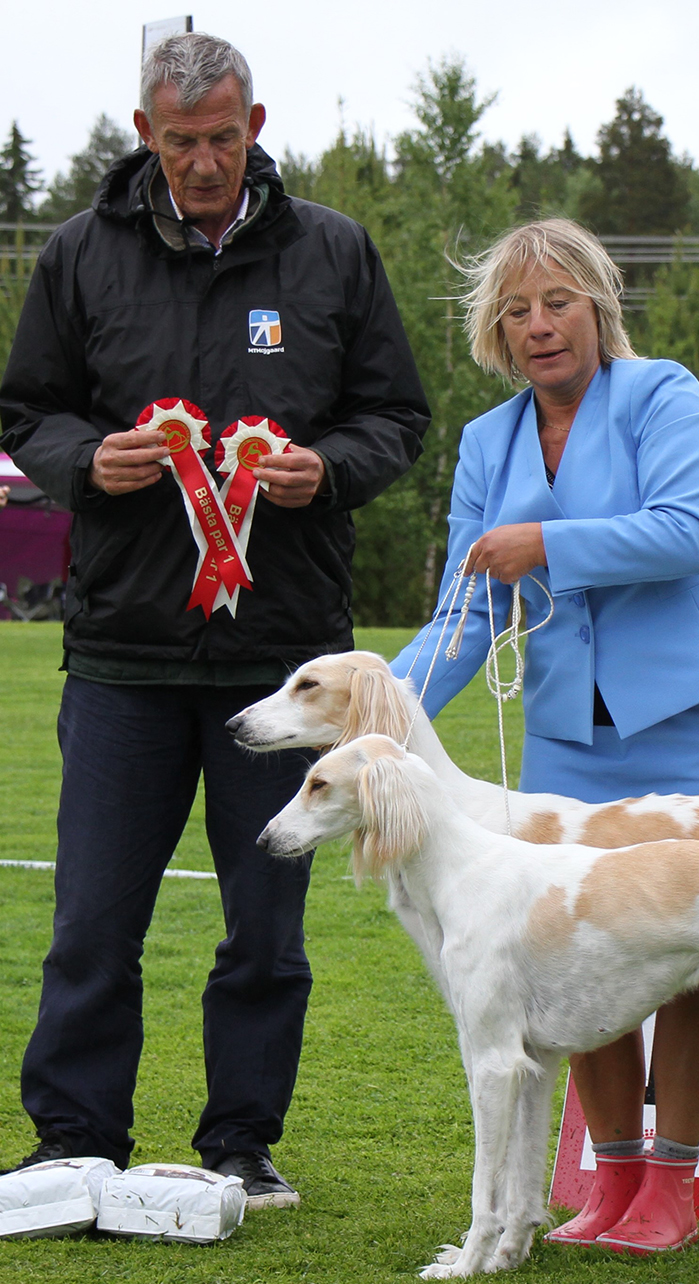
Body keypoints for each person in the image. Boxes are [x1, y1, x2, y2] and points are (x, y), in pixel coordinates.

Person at [0, 33, 429, 1206]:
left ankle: (242, 1141)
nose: (203, 162)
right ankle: (75, 1139)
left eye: (223, 139)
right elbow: (25, 408)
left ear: (257, 126)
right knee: (93, 918)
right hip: (123, 656)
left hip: (281, 665)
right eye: (181, 140)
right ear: (145, 132)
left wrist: (326, 472)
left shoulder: (333, 252)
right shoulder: (82, 255)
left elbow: (396, 414)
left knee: (263, 931)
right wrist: (92, 460)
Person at [390, 219, 699, 1253]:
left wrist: (544, 542)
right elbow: (463, 612)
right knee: (578, 950)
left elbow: (686, 531)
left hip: (697, 720)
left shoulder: (663, 396)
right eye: (515, 311)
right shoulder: (487, 442)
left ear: (598, 306)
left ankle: (672, 1188)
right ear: (495, 333)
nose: (537, 326)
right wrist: (381, 714)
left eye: (556, 302)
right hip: (567, 744)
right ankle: (607, 1181)